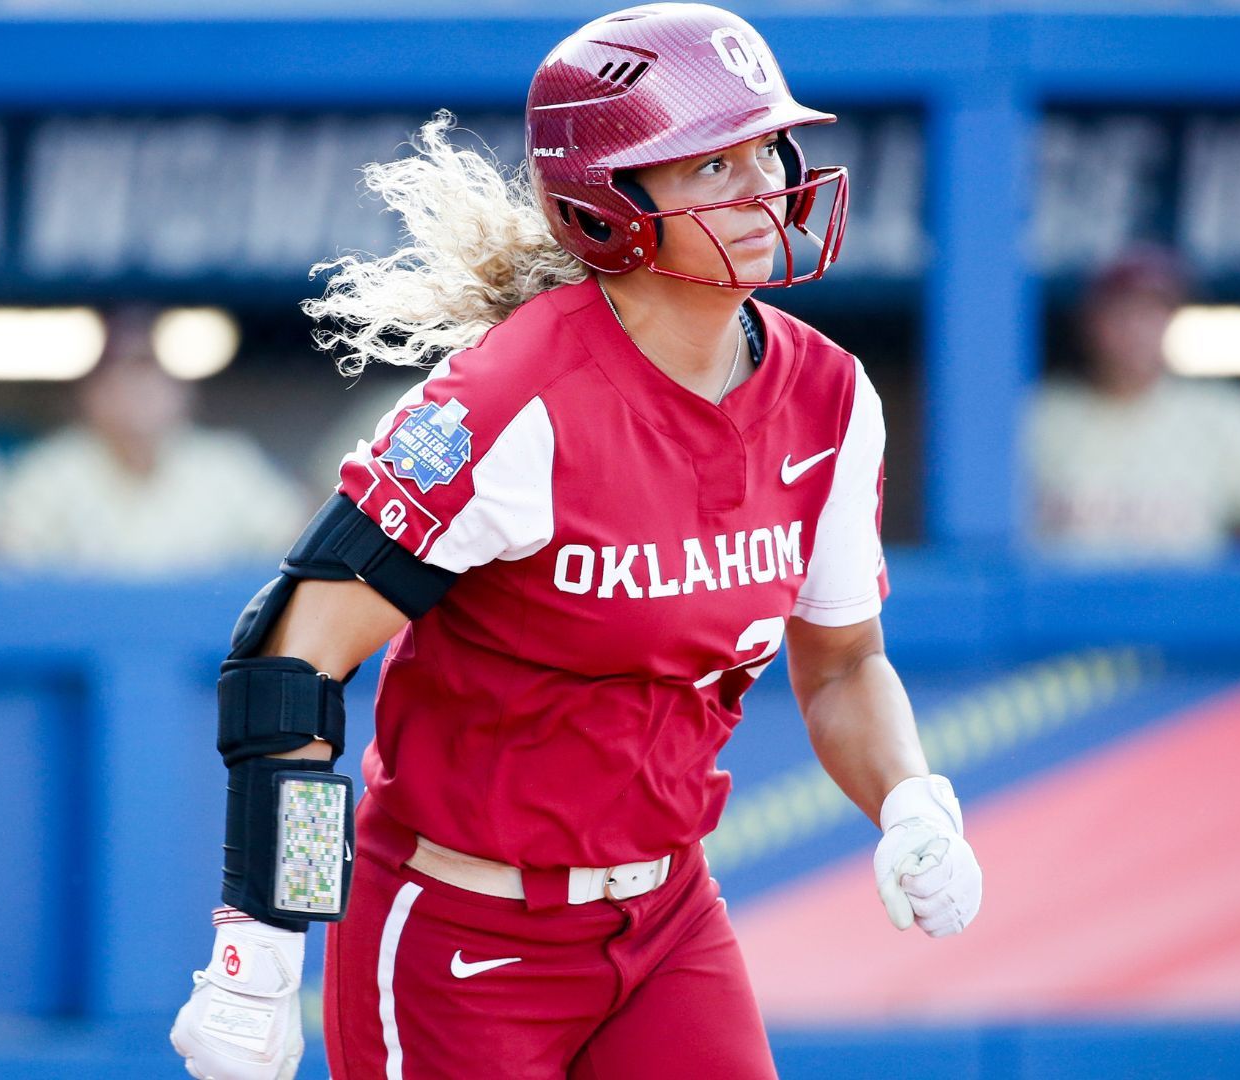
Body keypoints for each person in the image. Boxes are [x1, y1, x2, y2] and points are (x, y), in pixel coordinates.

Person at [171, 6, 983, 1079]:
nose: (763, 187)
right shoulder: (513, 400)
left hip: (668, 916)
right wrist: (262, 939)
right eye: (710, 164)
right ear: (607, 207)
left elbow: (841, 662)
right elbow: (289, 663)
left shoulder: (830, 396)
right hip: (461, 930)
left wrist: (910, 797)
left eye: (768, 149)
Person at [1025, 247, 1240, 562]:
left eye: (1152, 313)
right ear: (1089, 321)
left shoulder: (1224, 412)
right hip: (1067, 593)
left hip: (1187, 593)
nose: (1136, 330)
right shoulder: (1038, 415)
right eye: (1121, 313)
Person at [0, 307, 305, 575]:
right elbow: (8, 566)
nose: (141, 391)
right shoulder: (48, 471)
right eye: (123, 375)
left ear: (183, 389)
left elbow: (294, 545)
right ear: (90, 393)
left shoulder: (228, 464)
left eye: (152, 373)